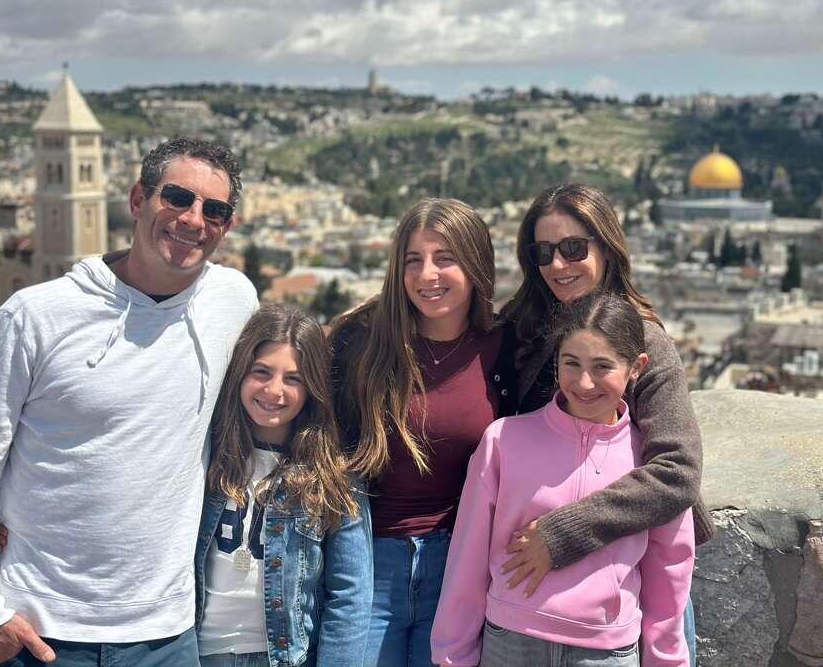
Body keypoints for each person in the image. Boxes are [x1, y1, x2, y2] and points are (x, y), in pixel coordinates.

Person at [0, 138, 258, 666]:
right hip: (42, 633)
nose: (193, 219)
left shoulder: (233, 300)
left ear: (226, 227)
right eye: (177, 197)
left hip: (169, 634)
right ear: (138, 199)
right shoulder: (34, 316)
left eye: (214, 210)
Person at [498, 184, 715, 664]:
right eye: (543, 253)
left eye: (574, 248)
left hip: (636, 574)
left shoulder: (645, 341)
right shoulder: (523, 330)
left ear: (608, 248)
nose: (558, 265)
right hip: (529, 584)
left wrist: (563, 533)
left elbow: (677, 471)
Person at [431, 293, 694, 667]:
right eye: (572, 363)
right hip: (510, 644)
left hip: (606, 652)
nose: (584, 383)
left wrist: (667, 660)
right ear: (555, 362)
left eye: (602, 366)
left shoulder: (650, 461)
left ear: (636, 367)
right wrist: (452, 656)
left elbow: (669, 571)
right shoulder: (505, 440)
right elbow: (467, 559)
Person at [330, 198, 517, 667]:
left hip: (458, 568)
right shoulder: (360, 342)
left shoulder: (506, 348)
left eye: (445, 258)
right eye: (413, 260)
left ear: (476, 263)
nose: (427, 275)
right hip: (366, 567)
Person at [195, 303, 372, 667]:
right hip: (196, 653)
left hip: (287, 658)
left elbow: (350, 595)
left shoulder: (333, 475)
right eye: (261, 372)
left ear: (312, 388)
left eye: (293, 378)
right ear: (240, 373)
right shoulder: (203, 456)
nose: (274, 390)